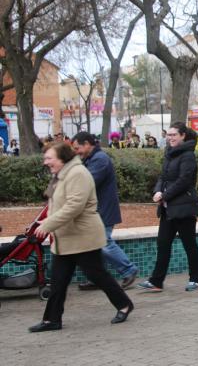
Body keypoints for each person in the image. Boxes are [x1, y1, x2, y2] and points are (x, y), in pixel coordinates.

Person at [29, 142, 133, 332]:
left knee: (97, 274)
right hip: (66, 239)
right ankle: (51, 320)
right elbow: (55, 203)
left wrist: (48, 225)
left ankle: (124, 304)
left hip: (83, 237)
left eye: (49, 158)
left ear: (62, 158)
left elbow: (74, 206)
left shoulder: (78, 174)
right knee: (58, 280)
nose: (46, 162)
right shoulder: (60, 175)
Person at [137, 122, 198, 292]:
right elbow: (163, 177)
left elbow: (184, 181)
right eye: (169, 134)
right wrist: (157, 190)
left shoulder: (188, 155)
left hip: (184, 208)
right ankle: (156, 281)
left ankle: (195, 279)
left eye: (174, 135)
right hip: (168, 208)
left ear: (183, 136)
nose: (170, 137)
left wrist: (164, 195)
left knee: (189, 243)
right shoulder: (170, 153)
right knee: (163, 243)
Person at [71, 132, 139, 291]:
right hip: (98, 209)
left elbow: (87, 183)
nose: (76, 152)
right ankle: (98, 277)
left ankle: (128, 270)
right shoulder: (90, 159)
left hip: (103, 210)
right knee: (94, 245)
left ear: (87, 144)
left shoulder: (99, 159)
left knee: (103, 242)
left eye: (77, 148)